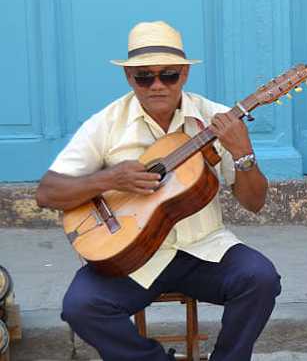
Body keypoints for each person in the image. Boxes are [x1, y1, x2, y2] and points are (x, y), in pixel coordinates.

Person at [34, 21, 281, 360]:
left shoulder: (215, 119)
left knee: (261, 279)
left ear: (184, 74)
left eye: (169, 75)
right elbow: (46, 193)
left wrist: (243, 154)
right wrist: (109, 180)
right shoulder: (106, 124)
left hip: (203, 249)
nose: (157, 85)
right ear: (128, 78)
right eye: (144, 77)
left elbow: (255, 203)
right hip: (132, 257)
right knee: (81, 306)